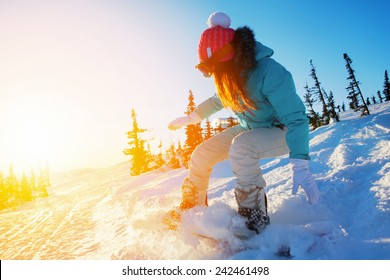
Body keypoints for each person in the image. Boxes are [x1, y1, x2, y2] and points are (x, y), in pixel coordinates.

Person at [168, 12, 319, 236]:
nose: (211, 75)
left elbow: (296, 119)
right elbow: (216, 100)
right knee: (202, 153)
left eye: (212, 68)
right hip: (250, 127)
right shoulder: (229, 75)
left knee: (242, 147)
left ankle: (253, 216)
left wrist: (301, 165)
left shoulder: (270, 71)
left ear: (229, 56)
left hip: (281, 130)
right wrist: (192, 118)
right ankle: (192, 208)